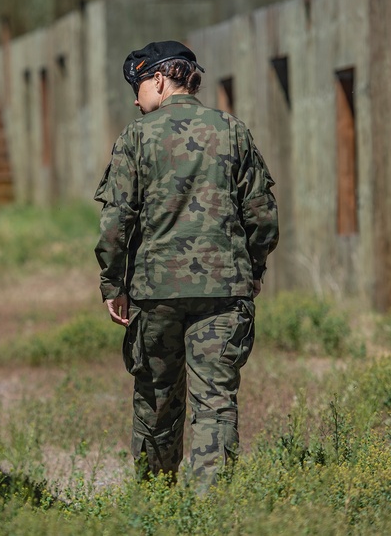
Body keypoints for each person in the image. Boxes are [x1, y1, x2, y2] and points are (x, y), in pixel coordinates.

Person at [94, 40, 280, 488]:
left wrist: (112, 283)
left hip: (154, 293)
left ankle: (157, 499)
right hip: (224, 293)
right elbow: (262, 215)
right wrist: (252, 270)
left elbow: (116, 221)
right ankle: (209, 510)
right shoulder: (233, 129)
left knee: (156, 397)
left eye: (137, 85)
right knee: (215, 403)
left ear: (159, 79)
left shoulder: (136, 137)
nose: (135, 99)